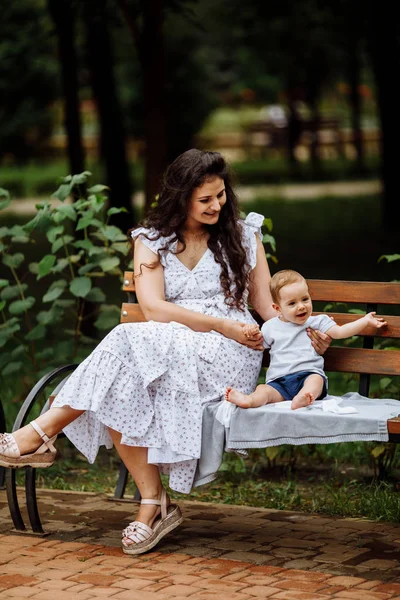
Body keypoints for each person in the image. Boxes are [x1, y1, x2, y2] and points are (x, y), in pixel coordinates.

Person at [0, 151, 330, 555]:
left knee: (125, 343)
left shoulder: (245, 235)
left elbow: (265, 308)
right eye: (205, 199)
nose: (217, 206)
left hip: (230, 350)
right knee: (120, 380)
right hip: (167, 345)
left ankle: (42, 434)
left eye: (221, 196)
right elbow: (154, 308)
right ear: (179, 196)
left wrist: (306, 332)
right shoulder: (151, 240)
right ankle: (152, 504)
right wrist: (218, 322)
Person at [226, 269, 386, 410]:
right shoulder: (270, 327)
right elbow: (257, 345)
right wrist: (249, 332)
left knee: (316, 380)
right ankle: (249, 400)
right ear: (277, 308)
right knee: (263, 390)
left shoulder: (318, 322)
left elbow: (341, 331)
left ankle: (303, 397)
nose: (301, 306)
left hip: (308, 374)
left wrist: (364, 321)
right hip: (279, 382)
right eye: (292, 303)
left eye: (305, 299)